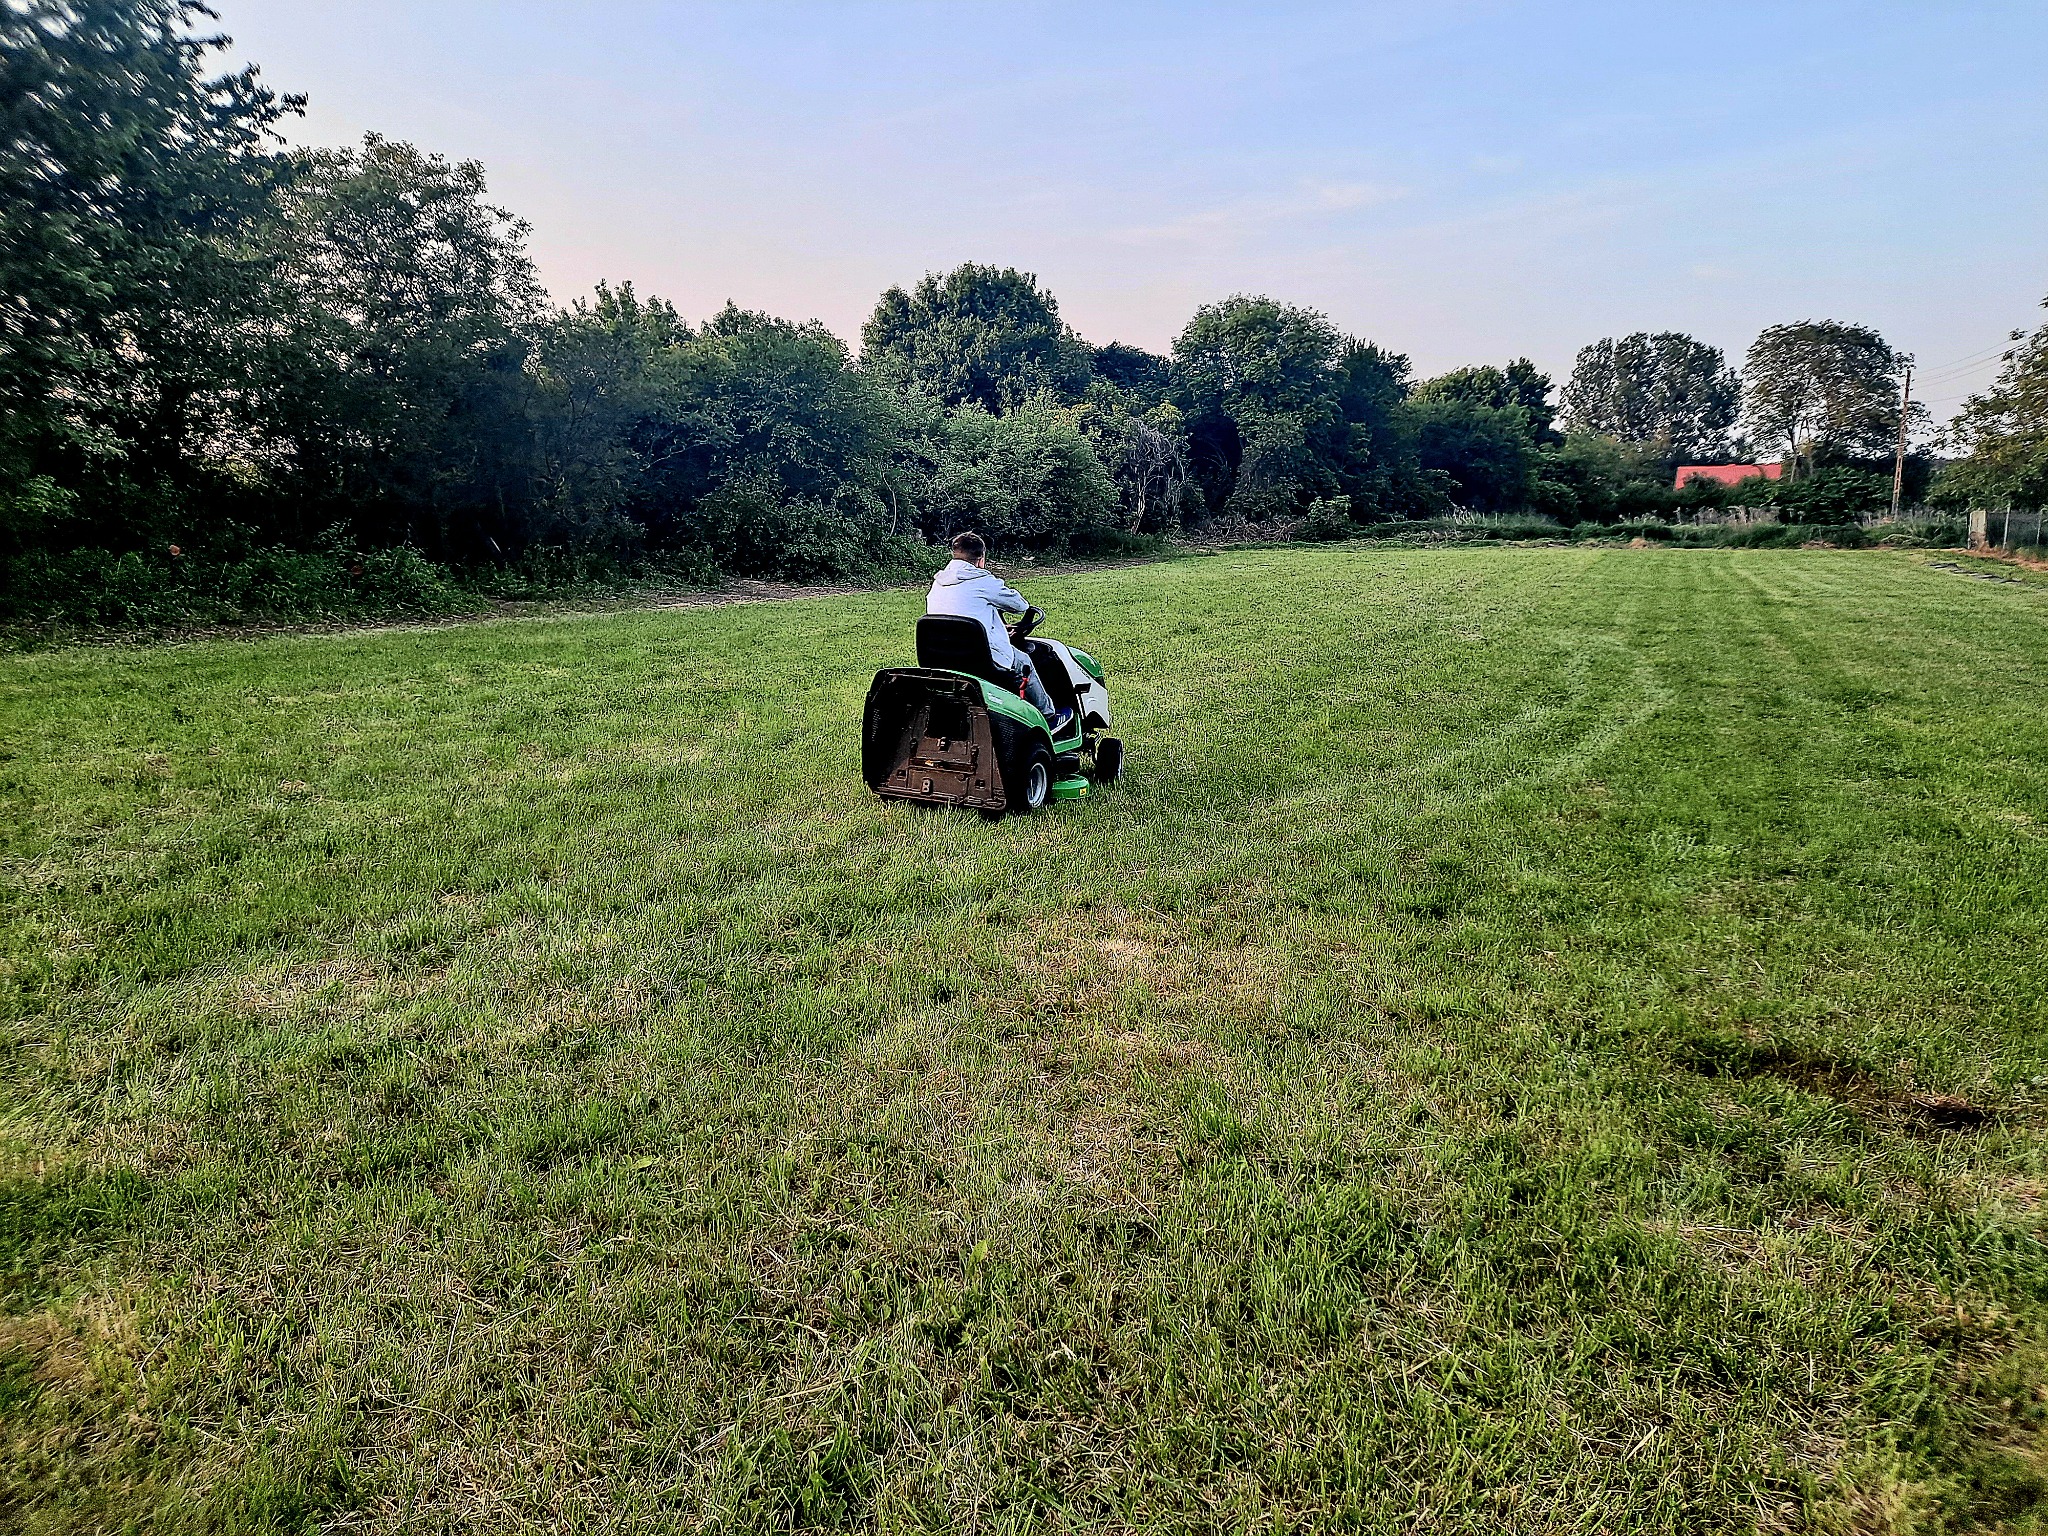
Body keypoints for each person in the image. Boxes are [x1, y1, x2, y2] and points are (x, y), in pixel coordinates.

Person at [926, 532, 1074, 733]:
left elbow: (962, 618)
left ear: (954, 555)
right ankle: (1049, 716)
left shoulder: (938, 583)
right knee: (1023, 661)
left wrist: (996, 628)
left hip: (942, 657)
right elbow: (1020, 605)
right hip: (981, 660)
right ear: (981, 560)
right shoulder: (983, 581)